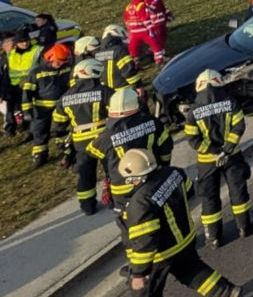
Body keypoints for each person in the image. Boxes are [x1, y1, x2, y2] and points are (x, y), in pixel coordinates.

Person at [117, 148, 242, 297]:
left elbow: (145, 242)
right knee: (193, 272)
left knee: (145, 291)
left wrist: (139, 273)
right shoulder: (174, 173)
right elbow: (189, 189)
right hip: (185, 238)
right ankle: (227, 292)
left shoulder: (139, 203)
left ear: (133, 178)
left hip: (163, 253)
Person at [183, 69, 253, 247]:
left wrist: (213, 151)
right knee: (238, 190)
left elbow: (192, 139)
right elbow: (239, 126)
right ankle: (244, 227)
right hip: (232, 156)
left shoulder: (193, 111)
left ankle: (213, 237)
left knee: (209, 197)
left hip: (207, 162)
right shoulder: (230, 103)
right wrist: (226, 149)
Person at [88, 87, 174, 229]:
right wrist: (164, 167)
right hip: (151, 178)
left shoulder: (105, 137)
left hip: (122, 190)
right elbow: (166, 147)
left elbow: (92, 152)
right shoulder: (153, 123)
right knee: (159, 214)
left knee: (129, 224)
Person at [52, 58, 112, 215]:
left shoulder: (65, 97)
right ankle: (114, 199)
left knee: (85, 174)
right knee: (112, 168)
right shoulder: (103, 91)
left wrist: (64, 146)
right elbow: (117, 110)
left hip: (80, 143)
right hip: (103, 138)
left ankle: (87, 206)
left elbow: (58, 124)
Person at [21, 43, 73, 167]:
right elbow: (27, 93)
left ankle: (67, 152)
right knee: (40, 132)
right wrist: (27, 111)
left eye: (63, 61)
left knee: (61, 130)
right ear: (50, 58)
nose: (61, 64)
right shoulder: (36, 73)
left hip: (61, 108)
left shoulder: (66, 69)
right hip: (41, 109)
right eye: (59, 61)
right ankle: (40, 156)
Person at [3, 27, 41, 136]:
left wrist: (27, 81)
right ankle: (10, 128)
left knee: (27, 107)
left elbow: (42, 68)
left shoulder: (37, 50)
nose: (24, 43)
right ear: (16, 43)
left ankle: (28, 125)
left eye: (26, 40)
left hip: (31, 84)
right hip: (14, 86)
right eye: (21, 41)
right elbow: (6, 72)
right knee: (10, 106)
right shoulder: (11, 54)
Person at [96, 25, 142, 92]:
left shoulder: (98, 53)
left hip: (107, 92)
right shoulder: (120, 51)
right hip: (124, 91)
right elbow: (128, 71)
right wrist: (138, 86)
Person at [124, 0, 160, 65]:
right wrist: (151, 30)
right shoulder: (141, 5)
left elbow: (126, 20)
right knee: (155, 44)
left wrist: (130, 30)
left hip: (133, 32)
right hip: (143, 30)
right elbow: (145, 19)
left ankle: (135, 64)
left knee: (133, 49)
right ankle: (159, 60)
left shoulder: (128, 6)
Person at [144, 0, 173, 64]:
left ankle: (160, 53)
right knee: (158, 39)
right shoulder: (147, 0)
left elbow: (164, 7)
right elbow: (151, 10)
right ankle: (155, 54)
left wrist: (168, 14)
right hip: (155, 23)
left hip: (162, 21)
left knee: (163, 37)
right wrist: (155, 1)